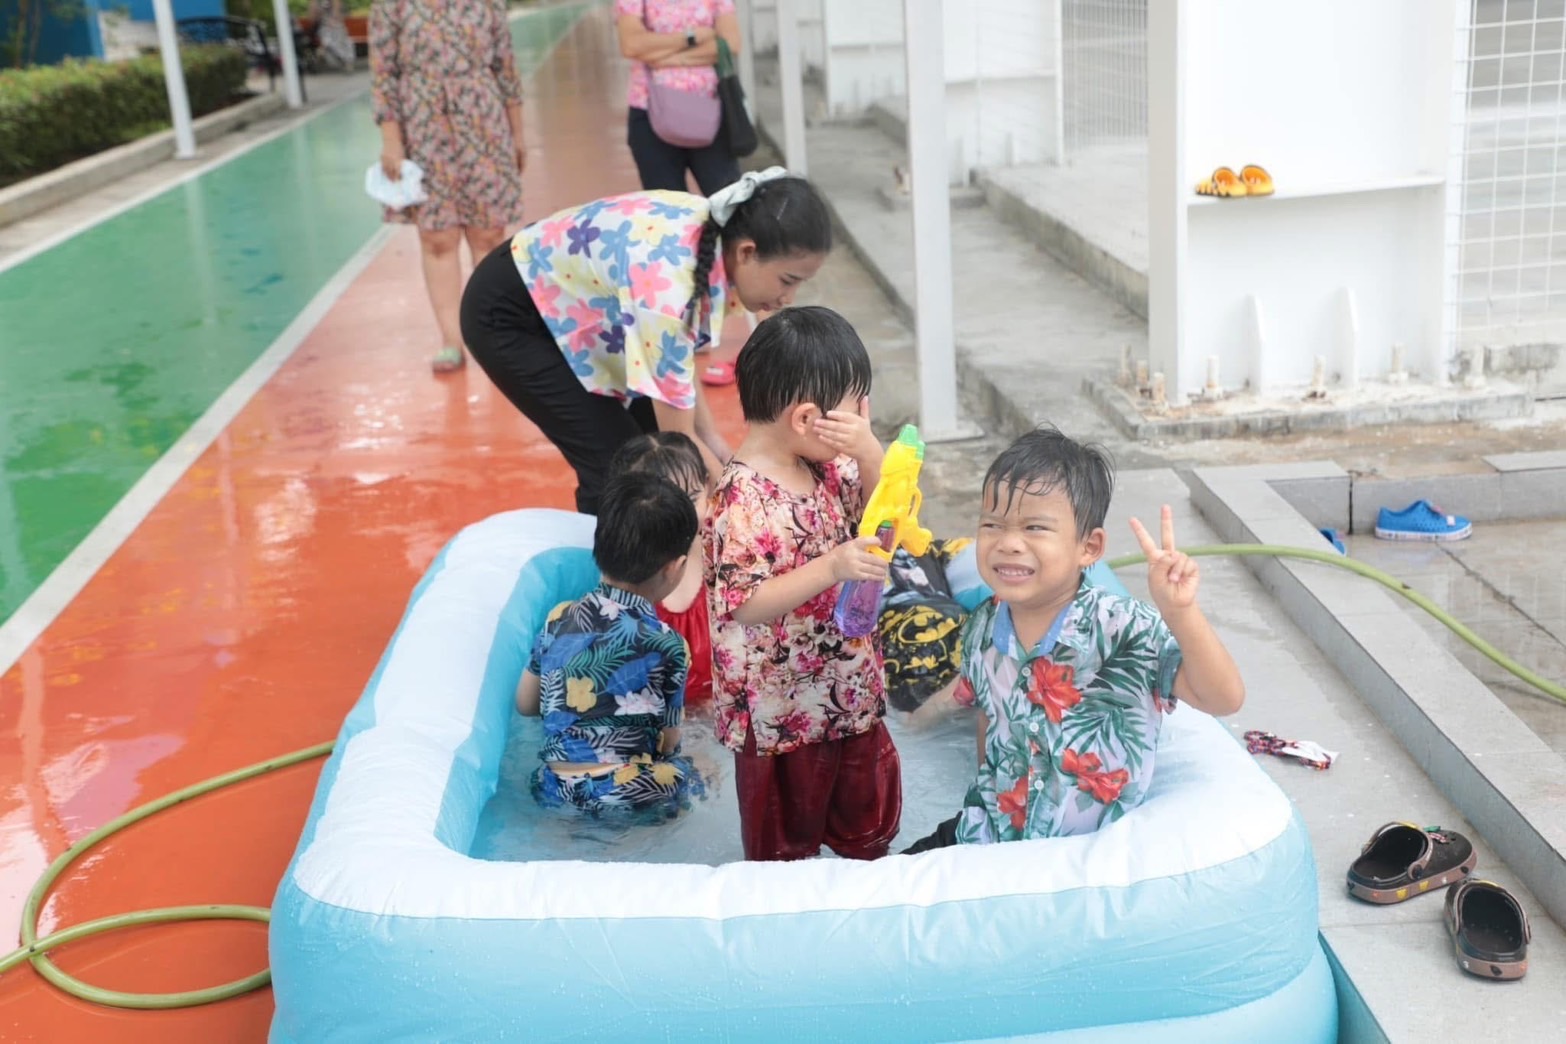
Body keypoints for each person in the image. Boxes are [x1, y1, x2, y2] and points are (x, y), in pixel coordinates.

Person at [902, 426, 1246, 853]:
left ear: (1089, 547)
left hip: (1082, 857)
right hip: (989, 833)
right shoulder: (984, 627)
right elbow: (990, 718)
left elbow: (1224, 699)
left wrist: (1181, 612)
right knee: (886, 881)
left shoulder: (1124, 629)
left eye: (1034, 527)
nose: (1008, 543)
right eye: (992, 524)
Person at [459, 168, 831, 513]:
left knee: (657, 449)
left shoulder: (715, 231)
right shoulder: (669, 289)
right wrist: (740, 502)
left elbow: (676, 369)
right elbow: (679, 436)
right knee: (622, 466)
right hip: (511, 314)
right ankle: (612, 563)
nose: (789, 298)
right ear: (746, 252)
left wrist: (715, 444)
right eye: (787, 280)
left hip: (569, 306)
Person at [704, 306, 901, 862]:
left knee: (866, 836)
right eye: (854, 412)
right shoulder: (740, 501)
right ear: (807, 418)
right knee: (784, 854)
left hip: (847, 693)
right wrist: (831, 567)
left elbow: (886, 524)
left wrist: (871, 454)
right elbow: (744, 603)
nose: (861, 423)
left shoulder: (830, 466)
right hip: (778, 715)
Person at [516, 471, 704, 817]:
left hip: (555, 787)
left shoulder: (559, 618)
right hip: (630, 792)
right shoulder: (669, 644)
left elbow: (526, 704)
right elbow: (669, 741)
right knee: (696, 773)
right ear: (675, 567)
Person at [370, 0, 527, 374]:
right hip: (422, 124)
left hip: (484, 119)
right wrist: (391, 140)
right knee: (437, 237)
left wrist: (518, 132)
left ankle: (493, 334)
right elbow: (383, 74)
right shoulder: (391, 5)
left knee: (489, 234)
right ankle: (451, 340)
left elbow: (505, 66)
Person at [607, 431, 716, 706]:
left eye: (692, 498)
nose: (683, 517)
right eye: (665, 503)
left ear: (707, 487)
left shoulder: (728, 560)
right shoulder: (622, 575)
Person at [615, 0, 743, 195]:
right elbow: (631, 45)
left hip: (711, 111)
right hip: (650, 112)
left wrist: (670, 58)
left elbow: (730, 42)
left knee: (728, 202)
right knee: (667, 207)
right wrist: (691, 37)